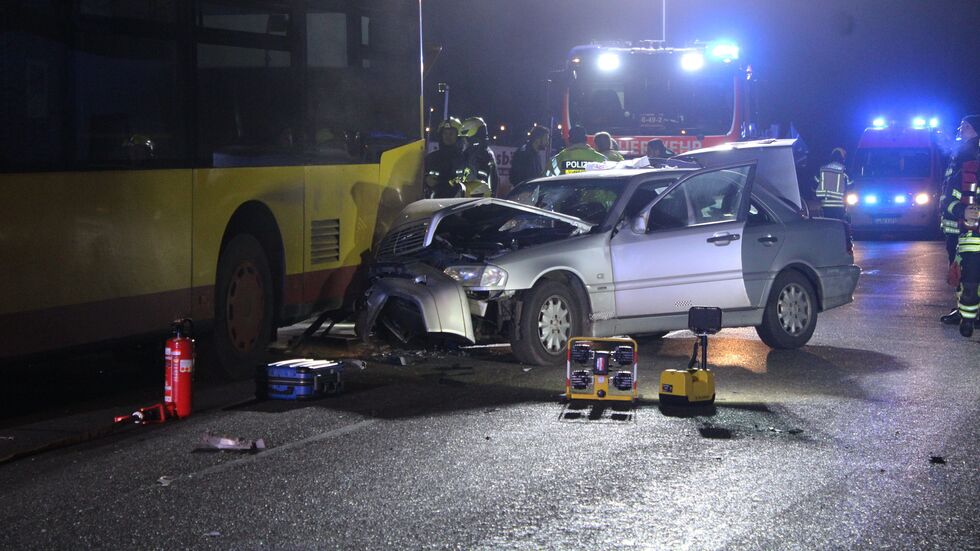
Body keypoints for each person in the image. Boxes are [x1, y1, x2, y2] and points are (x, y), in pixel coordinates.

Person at [938, 115, 980, 334]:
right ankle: (964, 310)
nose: (960, 129)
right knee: (961, 270)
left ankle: (968, 312)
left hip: (965, 228)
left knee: (965, 271)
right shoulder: (961, 150)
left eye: (965, 126)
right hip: (957, 223)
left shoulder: (970, 152)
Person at [423, 117, 466, 198]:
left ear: (458, 137)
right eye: (445, 133)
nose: (447, 136)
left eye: (451, 134)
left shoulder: (465, 158)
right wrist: (426, 179)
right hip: (433, 205)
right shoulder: (431, 158)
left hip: (459, 205)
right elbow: (419, 179)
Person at [459, 116, 499, 197]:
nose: (463, 142)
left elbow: (476, 184)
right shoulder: (483, 152)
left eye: (465, 139)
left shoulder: (480, 155)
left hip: (475, 203)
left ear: (472, 137)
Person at [814, 147, 850, 220]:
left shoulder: (822, 169)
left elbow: (815, 182)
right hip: (839, 204)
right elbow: (851, 185)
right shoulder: (844, 170)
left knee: (828, 225)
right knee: (839, 225)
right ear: (842, 158)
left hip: (825, 204)